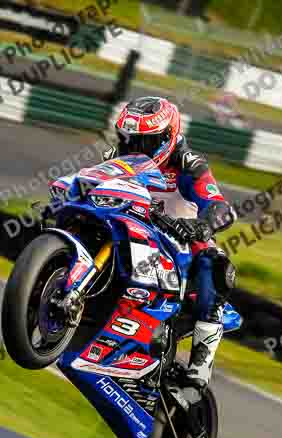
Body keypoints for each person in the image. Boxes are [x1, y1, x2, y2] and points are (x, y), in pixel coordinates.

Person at [104, 96, 237, 390]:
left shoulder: (189, 166)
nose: (136, 149)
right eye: (130, 140)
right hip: (129, 232)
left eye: (145, 142)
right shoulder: (115, 158)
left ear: (167, 137)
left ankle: (200, 364)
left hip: (178, 245)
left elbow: (219, 204)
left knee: (214, 264)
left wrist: (202, 224)